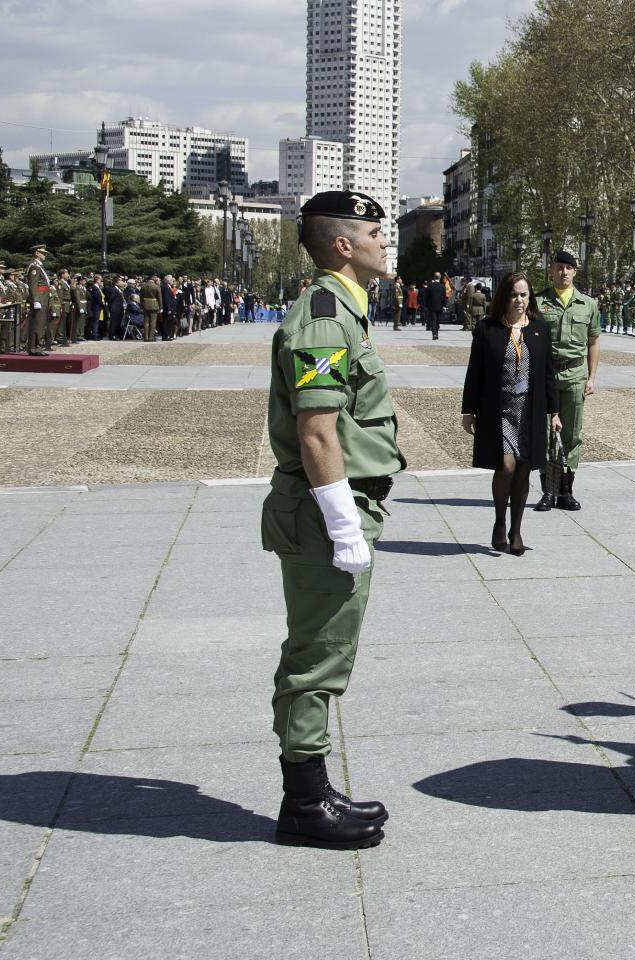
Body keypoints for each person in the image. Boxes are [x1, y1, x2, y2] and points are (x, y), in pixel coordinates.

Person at [261, 190, 405, 850]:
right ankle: (304, 803)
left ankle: (313, 790)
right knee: (316, 657)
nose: (385, 239)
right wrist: (344, 526)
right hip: (326, 511)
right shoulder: (324, 318)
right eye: (375, 230)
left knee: (324, 651)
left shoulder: (346, 311)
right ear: (343, 245)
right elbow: (317, 431)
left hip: (337, 505)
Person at [462, 272, 561, 555]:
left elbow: (548, 374)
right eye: (513, 295)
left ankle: (515, 529)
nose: (518, 300)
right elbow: (475, 372)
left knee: (523, 471)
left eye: (523, 295)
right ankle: (499, 520)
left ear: (530, 298)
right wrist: (469, 410)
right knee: (505, 466)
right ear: (504, 297)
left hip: (529, 409)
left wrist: (554, 411)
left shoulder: (540, 329)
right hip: (499, 409)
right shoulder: (487, 328)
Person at [534, 251, 602, 512]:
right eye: (559, 267)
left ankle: (565, 491)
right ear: (551, 271)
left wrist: (592, 376)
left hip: (574, 375)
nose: (564, 272)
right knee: (545, 434)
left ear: (575, 272)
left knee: (572, 435)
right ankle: (547, 492)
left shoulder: (588, 304)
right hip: (545, 376)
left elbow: (593, 341)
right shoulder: (538, 302)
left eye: (568, 268)